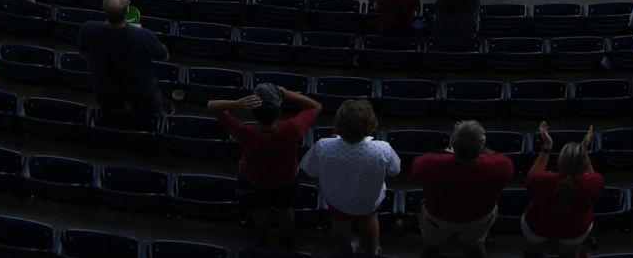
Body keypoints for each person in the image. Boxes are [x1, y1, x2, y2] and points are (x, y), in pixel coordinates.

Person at [212, 82, 322, 245]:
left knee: (259, 209)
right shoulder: (292, 129)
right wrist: (287, 93)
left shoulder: (245, 132)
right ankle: (288, 236)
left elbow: (213, 106)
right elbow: (316, 107)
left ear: (253, 113)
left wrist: (237, 104)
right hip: (286, 179)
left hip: (254, 180)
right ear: (279, 112)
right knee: (285, 208)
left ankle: (261, 234)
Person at [303, 97, 401, 258]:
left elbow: (311, 171)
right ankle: (370, 251)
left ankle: (344, 251)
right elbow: (395, 171)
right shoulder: (382, 149)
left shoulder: (323, 145)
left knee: (340, 222)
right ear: (370, 125)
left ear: (338, 125)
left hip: (336, 199)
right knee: (369, 219)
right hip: (369, 200)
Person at [411, 119, 519, 257]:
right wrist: (473, 142)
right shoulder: (501, 166)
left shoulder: (429, 163)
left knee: (432, 247)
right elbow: (499, 158)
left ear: (453, 144)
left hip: (437, 218)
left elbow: (416, 171)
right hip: (479, 218)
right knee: (477, 247)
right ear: (481, 146)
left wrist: (459, 140)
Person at [78, 0, 169, 129]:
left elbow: (83, 52)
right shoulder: (144, 36)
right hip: (142, 91)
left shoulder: (87, 29)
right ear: (127, 12)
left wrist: (93, 66)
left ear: (104, 10)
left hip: (105, 88)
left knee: (111, 112)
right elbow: (164, 56)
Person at [521, 128, 604, 258]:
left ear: (560, 162)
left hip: (537, 225)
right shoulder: (594, 182)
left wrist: (547, 146)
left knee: (532, 254)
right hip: (575, 230)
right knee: (569, 255)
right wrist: (582, 152)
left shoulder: (543, 180)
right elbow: (590, 175)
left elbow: (530, 178)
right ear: (584, 163)